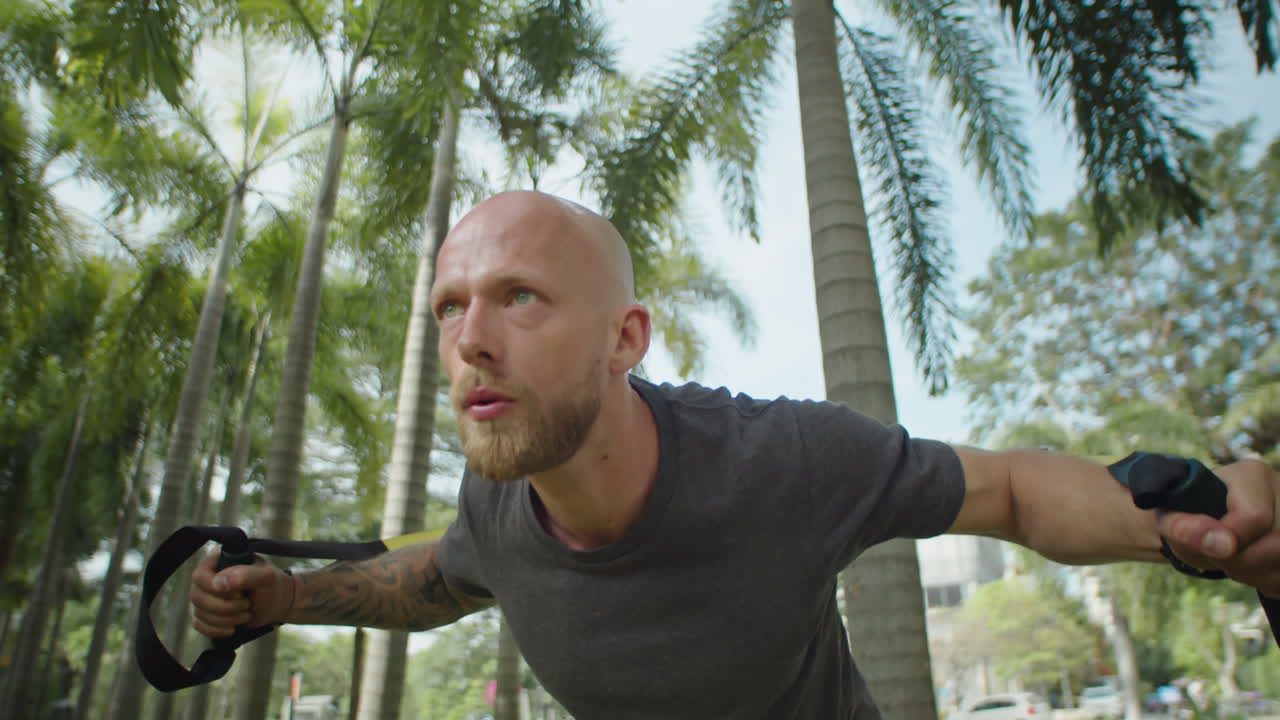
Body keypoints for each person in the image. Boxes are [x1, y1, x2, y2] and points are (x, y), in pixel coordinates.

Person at [191, 190, 1280, 719]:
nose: (469, 337)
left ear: (627, 339)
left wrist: (1188, 526)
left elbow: (999, 489)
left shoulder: (785, 463)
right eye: (448, 307)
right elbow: (424, 581)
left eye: (518, 297)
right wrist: (279, 598)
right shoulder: (495, 517)